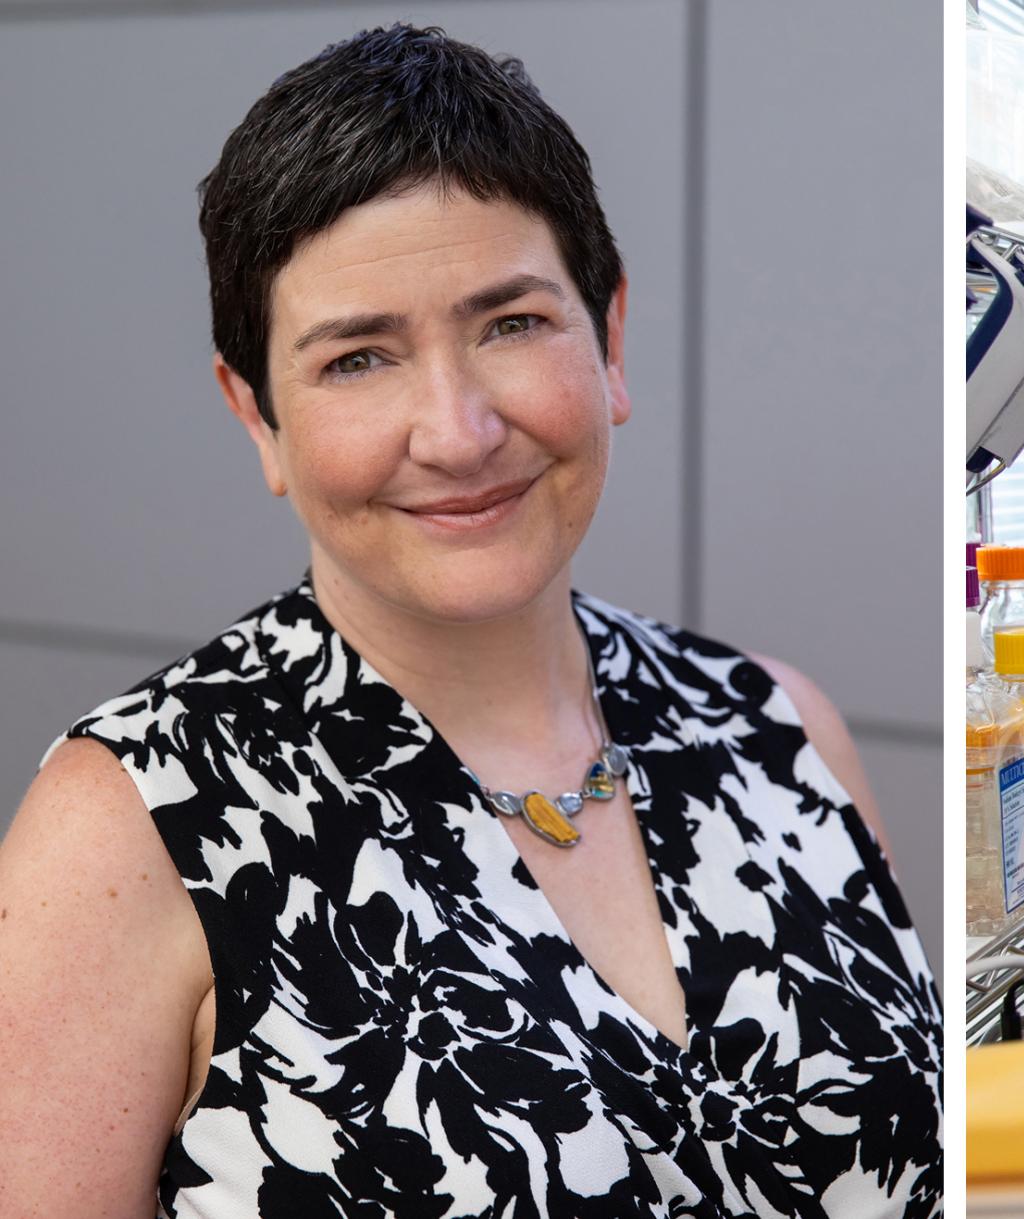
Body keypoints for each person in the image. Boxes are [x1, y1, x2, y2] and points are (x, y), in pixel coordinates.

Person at [0, 27, 940, 1217]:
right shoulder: (125, 830)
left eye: (510, 325)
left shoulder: (774, 726)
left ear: (608, 338)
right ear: (256, 416)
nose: (455, 431)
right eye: (356, 360)